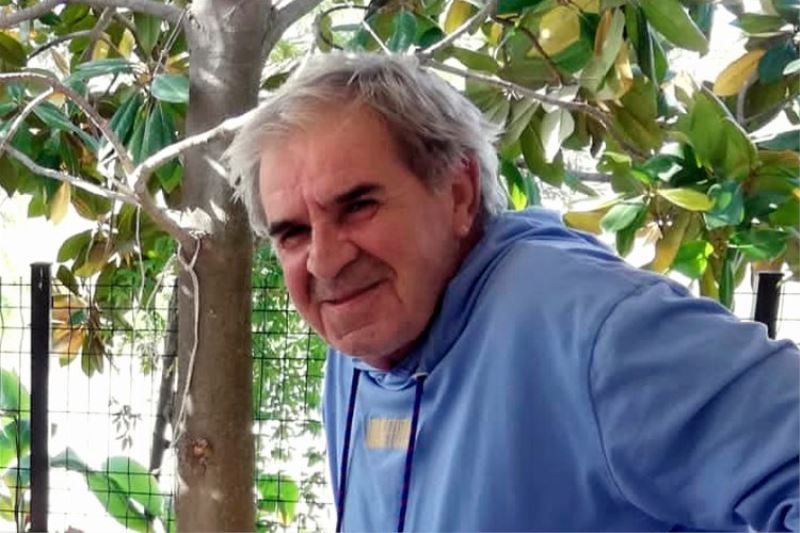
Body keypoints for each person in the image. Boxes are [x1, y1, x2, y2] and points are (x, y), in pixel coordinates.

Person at [226, 52, 800, 532]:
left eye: (358, 206)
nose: (325, 260)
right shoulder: (360, 346)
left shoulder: (586, 327)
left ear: (458, 194)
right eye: (293, 233)